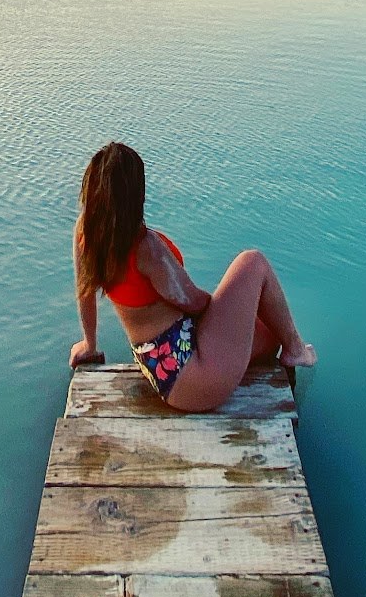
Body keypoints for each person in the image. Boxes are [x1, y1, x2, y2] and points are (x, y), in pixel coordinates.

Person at [69, 141, 316, 412]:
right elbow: (195, 303)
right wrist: (223, 306)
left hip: (161, 372)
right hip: (195, 379)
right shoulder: (147, 249)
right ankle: (296, 351)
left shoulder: (87, 235)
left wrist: (89, 344)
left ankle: (276, 349)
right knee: (252, 262)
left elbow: (84, 292)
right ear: (136, 195)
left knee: (268, 334)